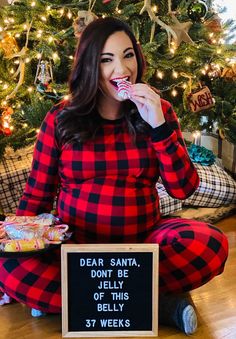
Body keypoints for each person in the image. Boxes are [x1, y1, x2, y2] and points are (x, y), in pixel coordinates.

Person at [0, 17, 228, 334]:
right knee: (10, 266)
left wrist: (160, 127)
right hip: (75, 247)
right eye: (106, 60)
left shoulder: (158, 110)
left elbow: (183, 189)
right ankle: (158, 305)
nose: (121, 69)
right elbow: (37, 195)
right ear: (90, 66)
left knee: (210, 244)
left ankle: (70, 302)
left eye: (128, 54)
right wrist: (15, 238)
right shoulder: (60, 118)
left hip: (144, 242)